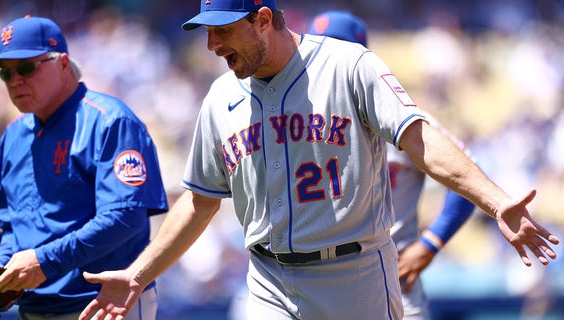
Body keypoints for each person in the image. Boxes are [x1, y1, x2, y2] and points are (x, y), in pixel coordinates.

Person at [78, 1, 559, 319]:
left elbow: (421, 141)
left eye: (222, 30)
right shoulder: (220, 96)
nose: (211, 45)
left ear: (263, 19)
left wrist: (497, 204)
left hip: (354, 276)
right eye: (206, 33)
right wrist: (139, 274)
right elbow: (199, 201)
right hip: (267, 279)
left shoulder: (350, 67)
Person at [0, 16, 168, 320]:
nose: (15, 80)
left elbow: (125, 219)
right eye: (6, 74)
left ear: (62, 63)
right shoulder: (14, 135)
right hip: (35, 309)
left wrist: (43, 261)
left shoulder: (110, 121)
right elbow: (9, 225)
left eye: (27, 68)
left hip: (104, 305)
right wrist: (0, 270)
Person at [308, 10, 476, 320]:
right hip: (318, 288)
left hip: (393, 282)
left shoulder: (400, 117)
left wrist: (431, 242)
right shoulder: (294, 125)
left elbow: (468, 174)